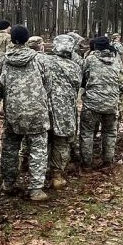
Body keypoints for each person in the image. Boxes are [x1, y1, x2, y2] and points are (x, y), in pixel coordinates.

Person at [0, 25, 51, 200]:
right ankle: (35, 189)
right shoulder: (40, 59)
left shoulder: (4, 60)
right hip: (37, 112)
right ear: (27, 40)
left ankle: (8, 183)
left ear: (11, 39)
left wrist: (8, 99)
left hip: (13, 112)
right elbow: (48, 84)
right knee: (38, 149)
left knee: (10, 148)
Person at [79, 36, 123, 170]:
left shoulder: (90, 59)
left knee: (87, 133)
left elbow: (82, 78)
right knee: (110, 133)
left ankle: (86, 164)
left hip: (91, 104)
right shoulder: (116, 61)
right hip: (111, 104)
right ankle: (107, 162)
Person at [44, 35, 82, 189]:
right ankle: (56, 176)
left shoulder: (45, 62)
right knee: (61, 142)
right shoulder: (75, 67)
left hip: (45, 108)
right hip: (65, 110)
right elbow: (77, 86)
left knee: (43, 141)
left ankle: (39, 173)